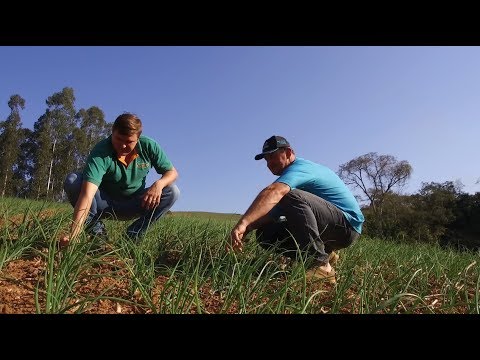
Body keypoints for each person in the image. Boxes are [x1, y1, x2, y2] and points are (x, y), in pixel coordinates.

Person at [230, 135, 364, 283]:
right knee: (265, 234)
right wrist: (248, 228)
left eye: (272, 156)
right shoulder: (291, 179)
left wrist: (242, 223)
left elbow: (274, 191)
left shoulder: (301, 168)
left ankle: (319, 265)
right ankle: (326, 254)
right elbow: (270, 213)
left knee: (290, 195)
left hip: (347, 227)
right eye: (266, 159)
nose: (269, 163)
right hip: (330, 225)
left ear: (288, 152)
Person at [61, 113, 180, 247]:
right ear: (112, 132)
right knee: (73, 181)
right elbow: (87, 194)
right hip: (104, 203)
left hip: (134, 203)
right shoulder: (101, 151)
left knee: (172, 191)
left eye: (129, 142)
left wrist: (159, 184)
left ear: (138, 139)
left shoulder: (148, 146)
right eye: (118, 139)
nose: (123, 146)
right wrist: (74, 233)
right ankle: (97, 236)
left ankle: (130, 239)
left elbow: (172, 172)